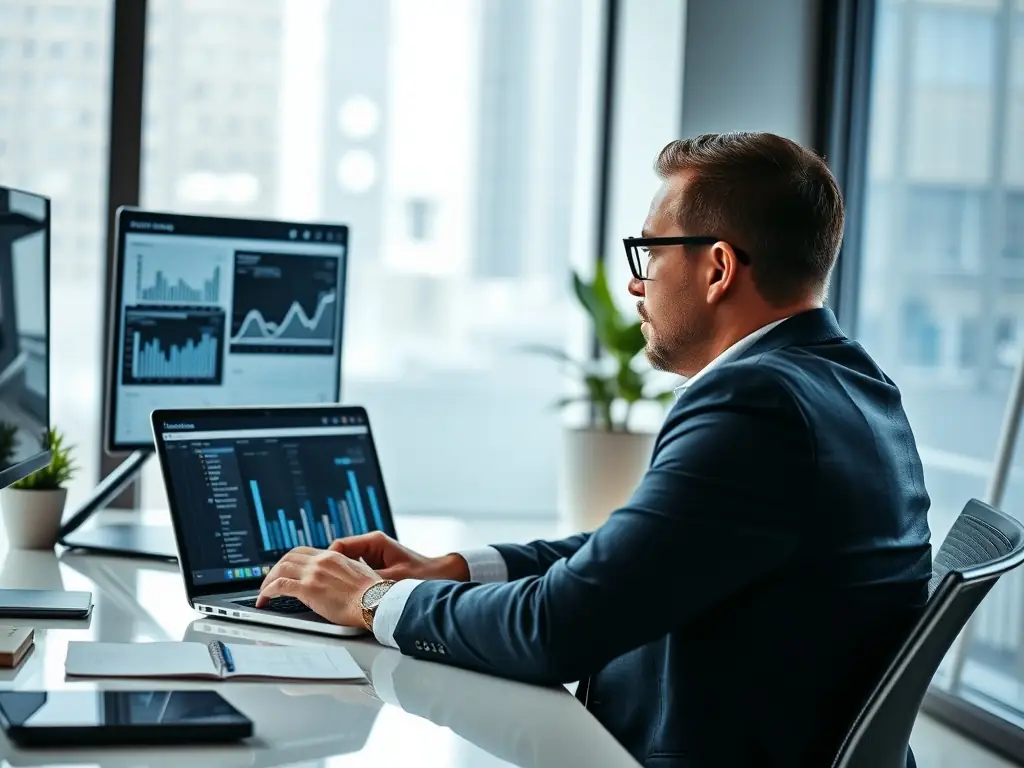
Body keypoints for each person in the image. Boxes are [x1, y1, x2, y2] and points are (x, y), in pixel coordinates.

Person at [257, 131, 932, 767]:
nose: (637, 284)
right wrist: (458, 568)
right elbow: (638, 553)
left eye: (651, 253)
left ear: (718, 268)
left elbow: (559, 629)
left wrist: (373, 603)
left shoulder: (757, 404)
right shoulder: (852, 382)